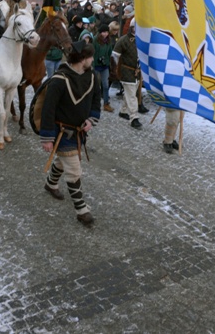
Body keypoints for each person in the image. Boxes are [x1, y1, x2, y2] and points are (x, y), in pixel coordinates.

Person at [39, 36, 100, 227]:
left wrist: (91, 119)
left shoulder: (92, 77)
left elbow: (97, 101)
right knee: (74, 169)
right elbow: (47, 109)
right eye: (90, 57)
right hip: (61, 132)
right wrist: (47, 137)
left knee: (64, 162)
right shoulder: (58, 80)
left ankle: (50, 184)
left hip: (79, 132)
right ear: (82, 58)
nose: (92, 60)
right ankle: (82, 210)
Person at [112, 19, 142, 129]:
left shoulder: (141, 39)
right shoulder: (124, 40)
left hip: (137, 72)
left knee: (129, 93)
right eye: (136, 27)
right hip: (126, 71)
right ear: (132, 27)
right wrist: (116, 70)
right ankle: (134, 117)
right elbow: (115, 55)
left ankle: (123, 111)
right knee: (132, 95)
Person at [93, 24, 114, 113]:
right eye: (103, 32)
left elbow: (109, 53)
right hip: (96, 65)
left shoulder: (108, 41)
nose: (105, 34)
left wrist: (108, 62)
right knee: (95, 85)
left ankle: (106, 103)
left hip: (104, 65)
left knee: (105, 85)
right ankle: (94, 103)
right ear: (100, 32)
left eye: (106, 32)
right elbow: (93, 52)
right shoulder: (95, 40)